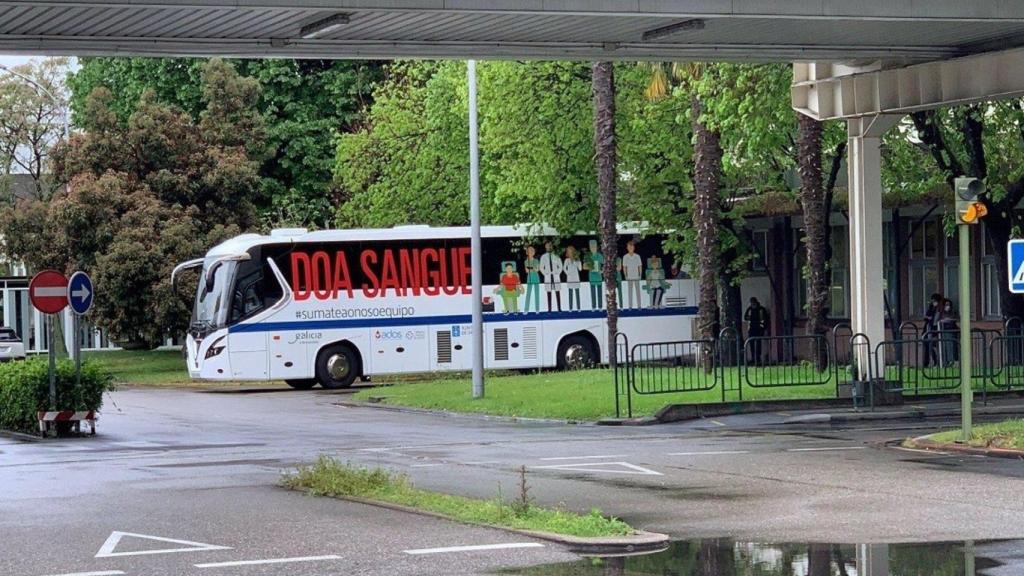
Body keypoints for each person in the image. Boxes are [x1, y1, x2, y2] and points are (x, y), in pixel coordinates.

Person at [539, 241, 563, 312]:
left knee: (557, 292)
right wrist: (545, 274)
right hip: (548, 276)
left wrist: (557, 273)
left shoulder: (556, 255)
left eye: (550, 245)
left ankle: (559, 308)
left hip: (555, 275)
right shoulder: (543, 256)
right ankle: (549, 309)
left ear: (552, 246)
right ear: (545, 247)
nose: (549, 247)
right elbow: (541, 267)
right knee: (549, 293)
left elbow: (560, 266)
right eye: (547, 246)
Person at [744, 297, 770, 364]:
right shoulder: (749, 309)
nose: (752, 304)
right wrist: (750, 318)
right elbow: (745, 317)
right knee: (751, 344)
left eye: (753, 302)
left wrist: (763, 328)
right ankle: (753, 358)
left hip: (759, 329)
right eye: (751, 303)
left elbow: (765, 319)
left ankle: (758, 358)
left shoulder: (761, 309)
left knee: (758, 344)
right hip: (751, 329)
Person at [922, 293, 942, 368]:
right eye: (933, 301)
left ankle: (936, 361)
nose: (933, 302)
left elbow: (936, 319)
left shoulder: (939, 309)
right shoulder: (931, 307)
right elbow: (926, 317)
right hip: (928, 328)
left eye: (935, 301)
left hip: (934, 329)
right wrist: (928, 317)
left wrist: (930, 318)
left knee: (932, 345)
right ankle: (927, 362)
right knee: (927, 345)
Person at [622, 240, 643, 308]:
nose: (630, 247)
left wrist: (640, 275)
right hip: (629, 277)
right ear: (627, 248)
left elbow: (640, 266)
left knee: (638, 292)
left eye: (632, 246)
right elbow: (624, 267)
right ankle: (630, 306)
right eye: (629, 246)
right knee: (630, 292)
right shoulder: (625, 257)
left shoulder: (637, 256)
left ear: (634, 247)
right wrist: (625, 275)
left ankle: (639, 306)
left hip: (636, 276)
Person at [938, 298, 958, 367]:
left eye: (949, 305)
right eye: (946, 305)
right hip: (944, 331)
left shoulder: (953, 312)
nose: (947, 306)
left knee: (951, 347)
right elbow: (939, 320)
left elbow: (955, 319)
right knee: (944, 347)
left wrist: (948, 320)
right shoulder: (941, 313)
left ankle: (952, 361)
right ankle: (945, 361)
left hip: (951, 331)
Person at [585, 239, 604, 310]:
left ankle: (600, 306)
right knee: (593, 293)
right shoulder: (587, 256)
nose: (592, 248)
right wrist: (589, 267)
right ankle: (593, 306)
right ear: (589, 247)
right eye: (591, 246)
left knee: (599, 293)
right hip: (591, 278)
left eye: (594, 246)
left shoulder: (600, 256)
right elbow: (584, 266)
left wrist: (602, 271)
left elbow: (605, 265)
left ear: (596, 247)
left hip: (599, 277)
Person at [563, 246, 582, 311]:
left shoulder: (577, 259)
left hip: (576, 278)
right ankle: (570, 308)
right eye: (568, 251)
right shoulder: (566, 260)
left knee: (577, 293)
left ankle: (578, 308)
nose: (570, 253)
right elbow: (564, 268)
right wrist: (568, 273)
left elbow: (580, 269)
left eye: (571, 251)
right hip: (570, 278)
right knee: (570, 294)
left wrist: (577, 262)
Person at [523, 245, 541, 313]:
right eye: (529, 251)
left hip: (536, 278)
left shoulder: (536, 260)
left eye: (532, 251)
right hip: (529, 278)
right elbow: (526, 271)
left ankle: (537, 309)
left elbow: (537, 270)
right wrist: (532, 268)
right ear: (527, 252)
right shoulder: (526, 261)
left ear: (534, 252)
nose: (530, 252)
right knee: (528, 294)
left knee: (537, 294)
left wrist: (531, 268)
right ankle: (526, 309)